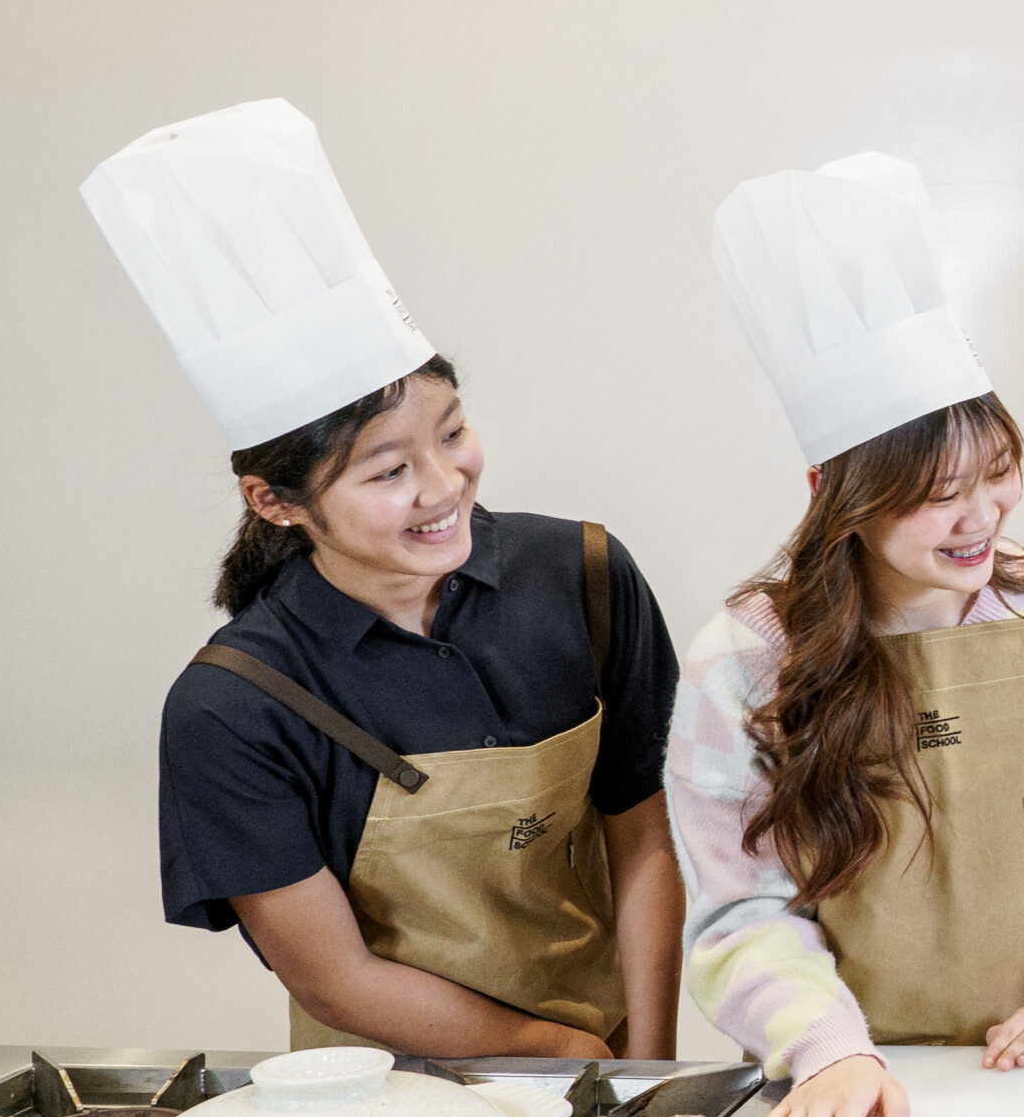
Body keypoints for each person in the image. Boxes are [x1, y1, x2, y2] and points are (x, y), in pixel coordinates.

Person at [89, 98, 685, 1058]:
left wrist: (645, 1069)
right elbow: (336, 978)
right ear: (275, 501)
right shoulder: (230, 708)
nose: (445, 486)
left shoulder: (584, 576)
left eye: (450, 432)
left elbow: (641, 836)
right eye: (387, 471)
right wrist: (557, 1054)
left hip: (604, 1064)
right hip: (379, 1105)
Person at [669, 151, 1024, 1117]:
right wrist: (830, 1049)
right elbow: (738, 910)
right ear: (836, 497)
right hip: (846, 1093)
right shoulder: (741, 660)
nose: (982, 515)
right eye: (939, 495)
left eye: (995, 471)